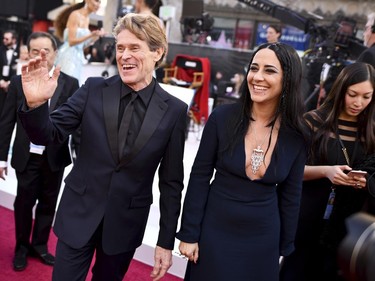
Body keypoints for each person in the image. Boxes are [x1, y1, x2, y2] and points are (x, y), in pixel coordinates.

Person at [18, 13, 187, 281]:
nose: (124, 55)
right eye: (120, 48)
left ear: (158, 52)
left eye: (134, 48)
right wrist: (37, 106)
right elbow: (47, 134)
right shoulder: (93, 89)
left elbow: (171, 182)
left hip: (125, 225)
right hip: (78, 214)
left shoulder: (175, 111)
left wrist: (165, 241)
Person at [177, 42, 308, 281]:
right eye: (254, 68)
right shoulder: (222, 117)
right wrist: (189, 233)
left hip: (263, 239)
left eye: (269, 70)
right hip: (214, 231)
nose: (257, 77)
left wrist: (284, 246)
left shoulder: (296, 135)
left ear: (288, 79)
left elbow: (291, 195)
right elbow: (199, 176)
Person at [280, 62, 375, 281]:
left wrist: (365, 181)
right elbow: (286, 170)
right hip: (306, 219)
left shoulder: (371, 132)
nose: (358, 103)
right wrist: (326, 171)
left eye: (366, 96)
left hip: (349, 228)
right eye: (352, 94)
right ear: (341, 89)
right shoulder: (313, 121)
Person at [0, 32, 80, 271]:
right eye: (35, 51)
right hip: (27, 157)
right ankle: (22, 247)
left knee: (48, 204)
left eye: (46, 50)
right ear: (28, 53)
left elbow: (77, 125)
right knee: (23, 205)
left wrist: (81, 158)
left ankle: (40, 246)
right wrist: (1, 158)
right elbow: (6, 123)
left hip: (55, 158)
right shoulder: (17, 82)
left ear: (55, 53)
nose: (41, 55)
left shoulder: (70, 83)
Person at [54, 0, 104, 84]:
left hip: (78, 57)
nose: (98, 5)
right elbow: (71, 41)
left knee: (74, 85)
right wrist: (90, 35)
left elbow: (82, 45)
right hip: (68, 56)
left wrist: (95, 37)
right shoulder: (75, 15)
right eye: (96, 1)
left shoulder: (87, 18)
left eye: (100, 2)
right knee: (66, 84)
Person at [0, 30, 19, 115]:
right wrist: (1, 81)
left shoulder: (20, 52)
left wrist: (9, 82)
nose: (4, 40)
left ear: (14, 40)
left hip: (12, 85)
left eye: (7, 39)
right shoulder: (0, 49)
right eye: (4, 38)